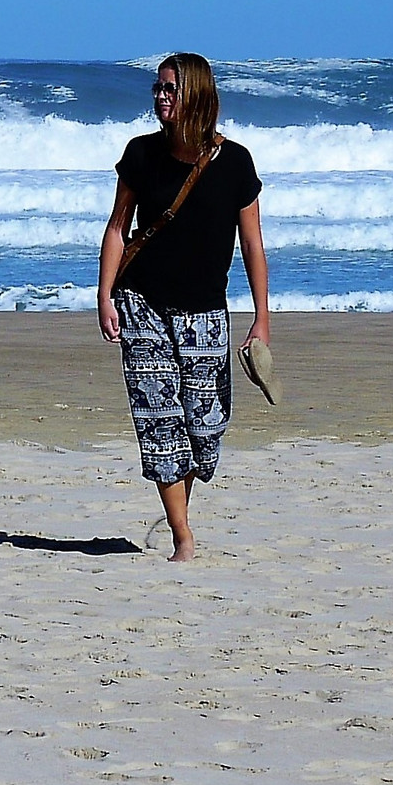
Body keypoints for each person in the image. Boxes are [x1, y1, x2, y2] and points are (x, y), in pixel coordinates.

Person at [97, 53, 271, 562]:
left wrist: (261, 318)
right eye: (157, 88)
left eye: (170, 89)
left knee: (204, 428)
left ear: (196, 94)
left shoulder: (235, 163)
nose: (160, 96)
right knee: (159, 425)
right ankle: (182, 536)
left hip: (204, 313)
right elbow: (116, 227)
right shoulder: (141, 154)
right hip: (142, 304)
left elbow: (253, 245)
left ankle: (181, 512)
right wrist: (105, 296)